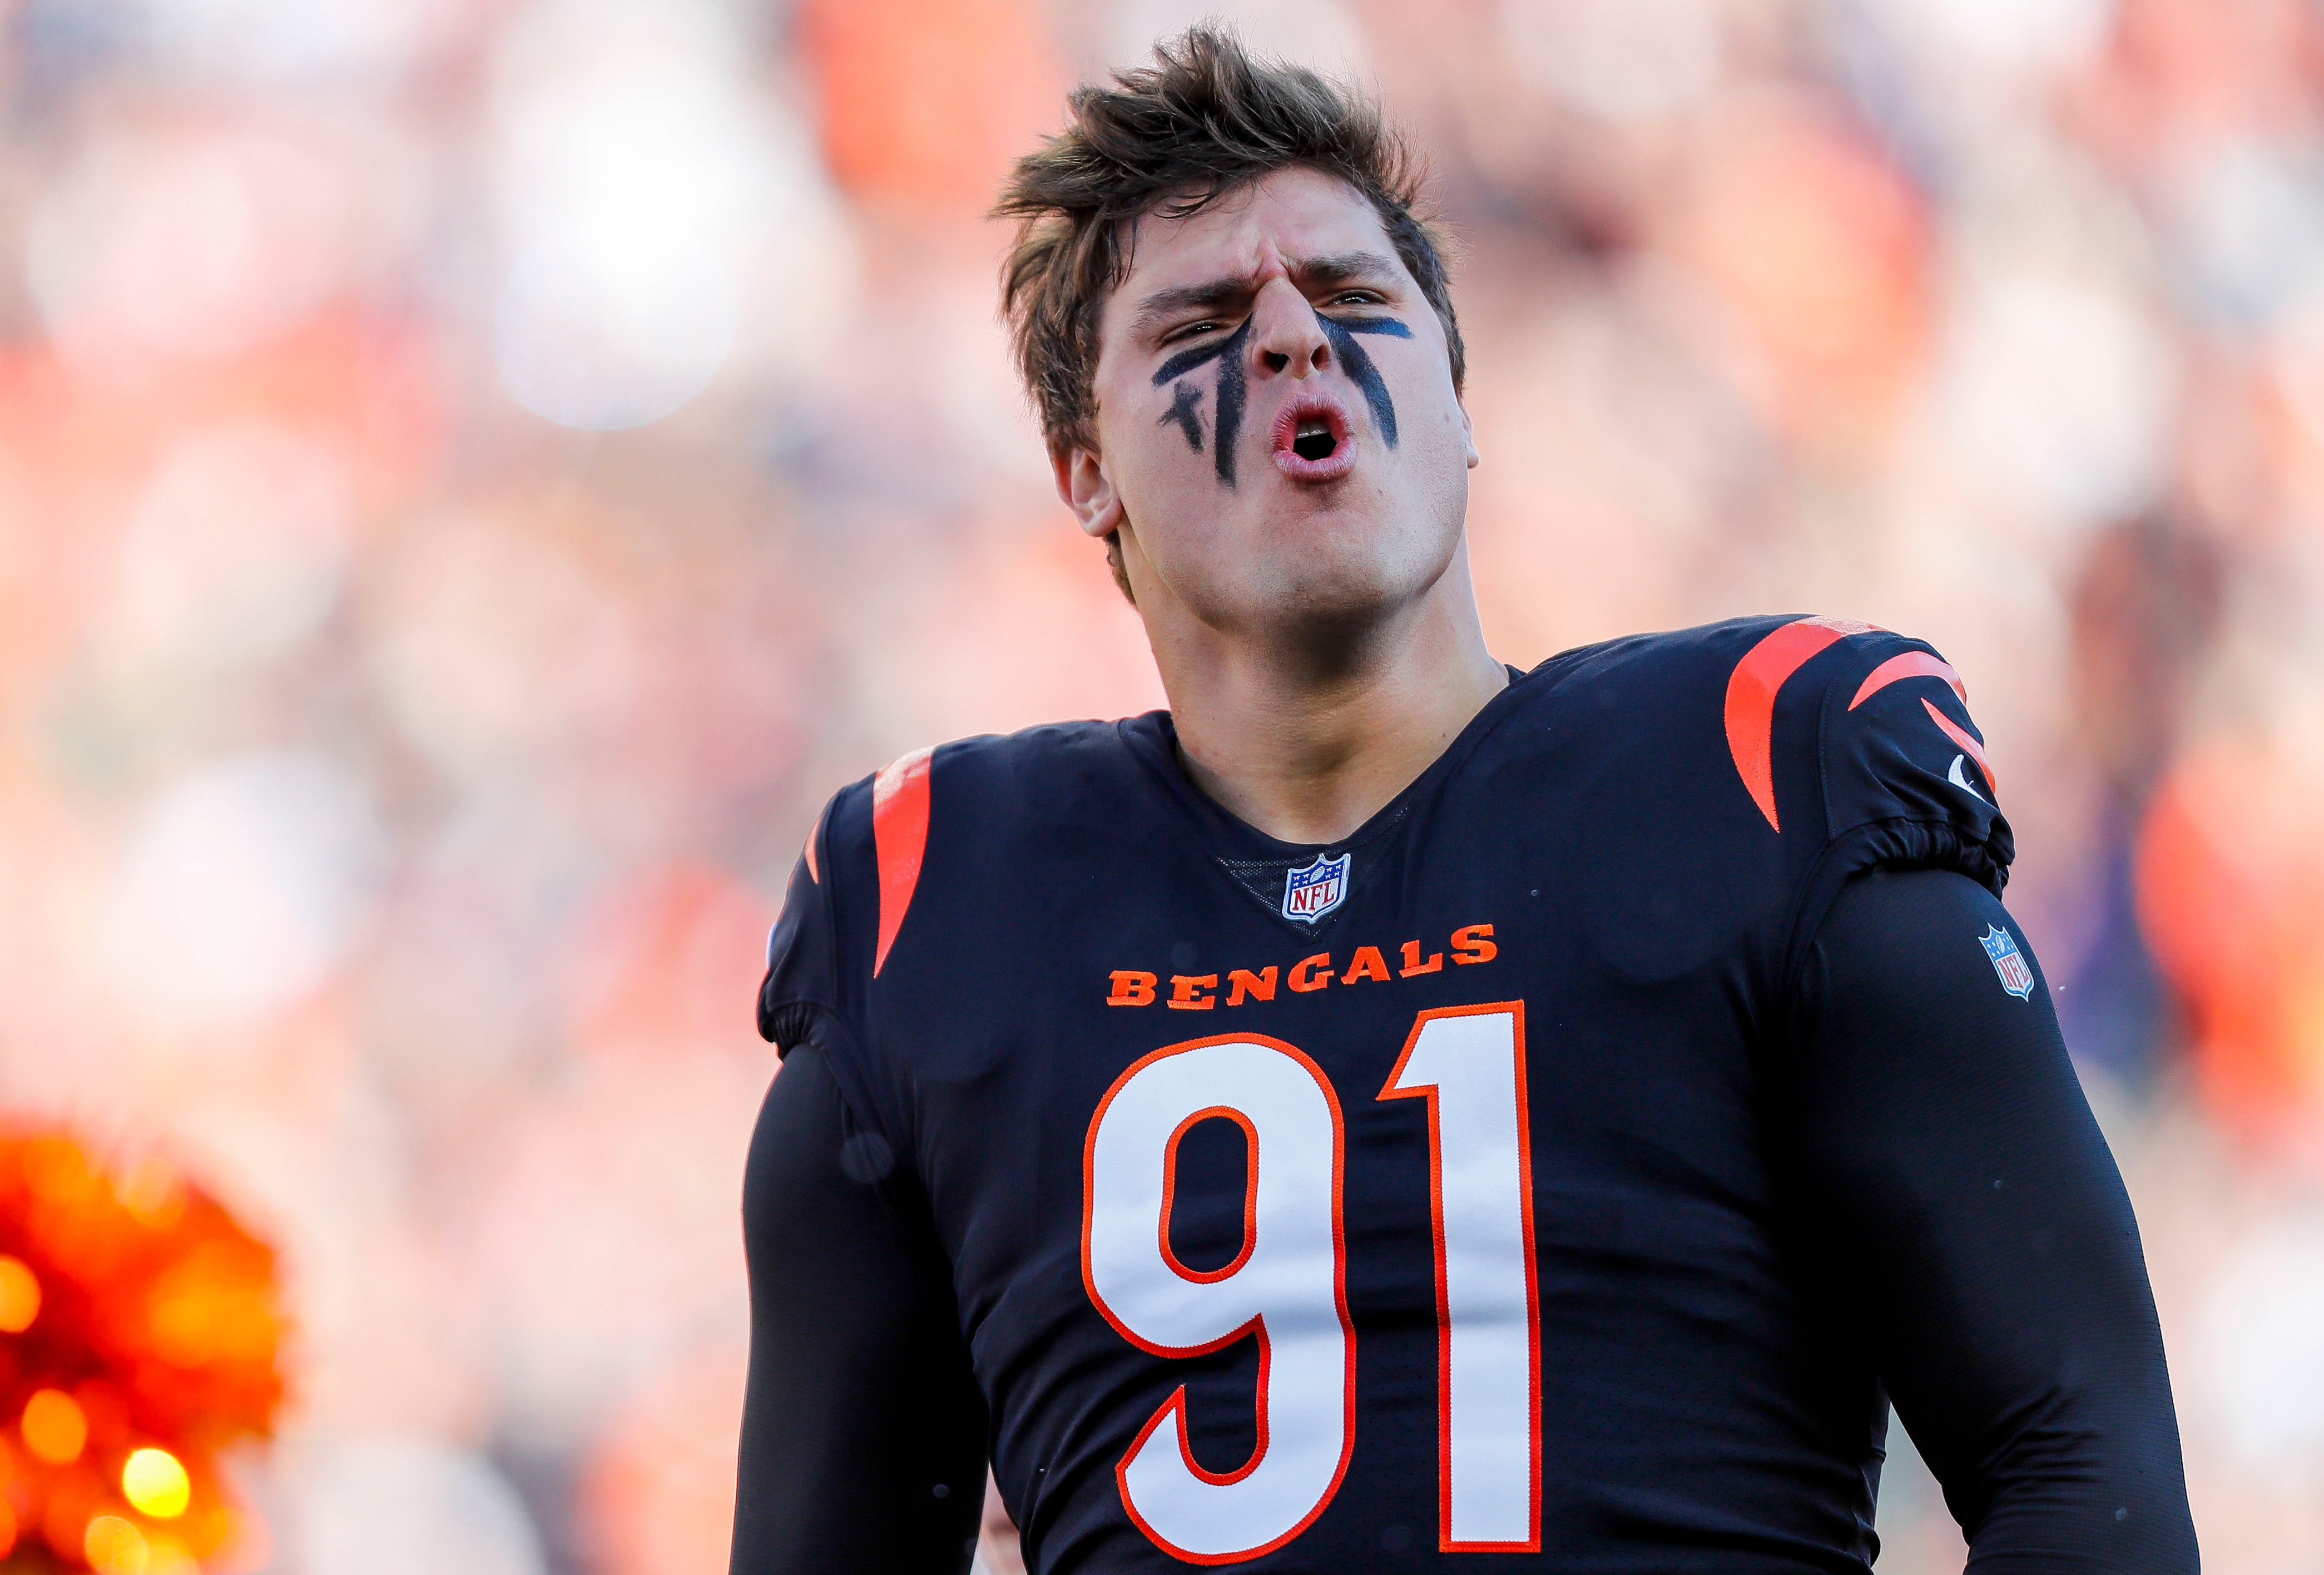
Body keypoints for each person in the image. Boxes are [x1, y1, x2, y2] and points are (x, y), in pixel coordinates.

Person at [730, 28, 2198, 1574]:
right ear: (1085, 468)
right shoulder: (932, 909)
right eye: (1203, 323)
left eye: (1358, 299)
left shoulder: (1764, 774)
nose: (1296, 338)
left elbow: (2080, 1468)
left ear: (1459, 397)